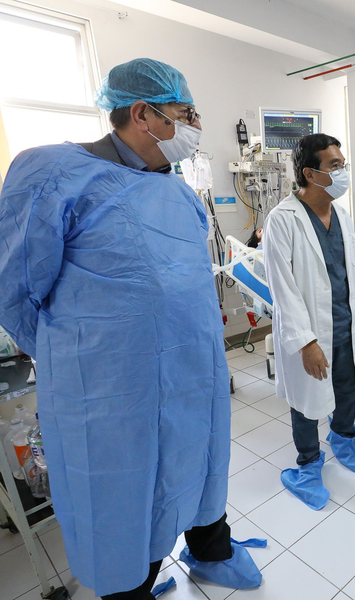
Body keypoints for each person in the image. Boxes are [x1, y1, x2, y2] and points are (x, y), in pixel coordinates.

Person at [0, 59, 263, 599]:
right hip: (109, 388)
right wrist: (82, 356)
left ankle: (210, 548)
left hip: (193, 373)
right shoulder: (52, 174)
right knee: (117, 495)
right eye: (185, 114)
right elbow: (15, 289)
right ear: (143, 113)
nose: (193, 126)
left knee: (200, 465)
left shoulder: (179, 193)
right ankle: (129, 589)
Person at [264, 133, 355, 510]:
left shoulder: (342, 215)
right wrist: (306, 342)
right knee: (306, 401)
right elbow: (283, 288)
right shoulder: (282, 219)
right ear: (310, 173)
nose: (343, 173)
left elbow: (353, 274)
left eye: (343, 165)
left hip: (344, 324)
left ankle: (343, 439)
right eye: (335, 166)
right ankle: (308, 463)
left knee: (346, 391)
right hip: (308, 333)